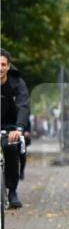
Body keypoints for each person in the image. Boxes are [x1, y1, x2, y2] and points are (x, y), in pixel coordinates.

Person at [0, 49, 30, 209]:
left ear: (8, 66)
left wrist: (18, 128)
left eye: (3, 64)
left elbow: (23, 106)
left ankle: (12, 191)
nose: (0, 68)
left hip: (10, 127)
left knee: (11, 149)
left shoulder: (17, 83)